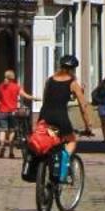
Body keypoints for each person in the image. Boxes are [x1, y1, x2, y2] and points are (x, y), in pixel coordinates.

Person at [36, 52, 94, 180]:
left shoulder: (49, 80)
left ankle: (47, 166)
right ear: (72, 70)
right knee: (72, 141)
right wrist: (88, 126)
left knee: (49, 142)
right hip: (60, 117)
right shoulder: (73, 83)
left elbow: (48, 99)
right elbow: (83, 107)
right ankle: (62, 170)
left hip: (44, 116)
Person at [0, 68, 34, 159]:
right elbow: (25, 95)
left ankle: (2, 146)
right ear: (13, 77)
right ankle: (11, 152)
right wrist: (35, 98)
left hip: (2, 111)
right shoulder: (16, 87)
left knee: (2, 130)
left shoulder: (1, 86)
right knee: (12, 131)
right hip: (12, 111)